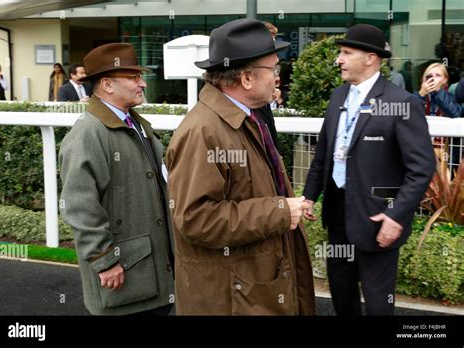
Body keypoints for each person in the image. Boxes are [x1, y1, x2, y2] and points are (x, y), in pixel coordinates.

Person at [165, 18, 315, 315]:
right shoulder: (204, 131)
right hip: (232, 300)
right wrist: (280, 211)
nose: (277, 77)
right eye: (273, 69)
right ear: (246, 78)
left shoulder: (246, 118)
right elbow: (196, 219)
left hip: (250, 291)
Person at [302, 24, 435, 315]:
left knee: (377, 304)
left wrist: (395, 215)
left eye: (347, 53)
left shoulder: (401, 103)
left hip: (377, 218)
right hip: (337, 214)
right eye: (340, 53)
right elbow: (324, 152)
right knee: (341, 294)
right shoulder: (338, 96)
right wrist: (310, 195)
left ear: (371, 58)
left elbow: (422, 167)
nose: (339, 59)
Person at [59, 43, 175, 316]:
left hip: (151, 279)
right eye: (134, 77)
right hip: (126, 282)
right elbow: (79, 206)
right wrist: (105, 261)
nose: (143, 84)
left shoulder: (135, 124)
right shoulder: (88, 134)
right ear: (108, 85)